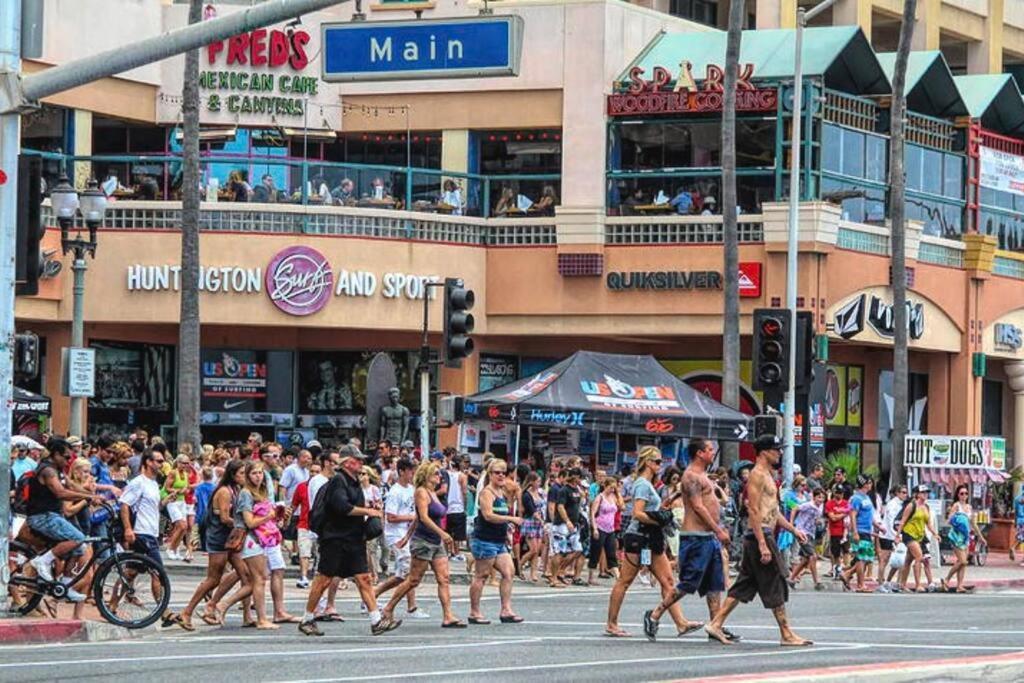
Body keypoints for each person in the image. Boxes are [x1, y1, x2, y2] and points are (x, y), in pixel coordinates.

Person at [705, 436, 812, 647]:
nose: (779, 453)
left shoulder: (768, 475)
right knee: (776, 581)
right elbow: (752, 509)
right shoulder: (757, 475)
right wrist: (763, 543)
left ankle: (716, 623)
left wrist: (793, 529)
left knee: (745, 584)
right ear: (764, 452)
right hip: (759, 535)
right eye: (776, 450)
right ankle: (786, 633)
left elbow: (773, 510)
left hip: (762, 534)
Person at [299, 445, 400, 637]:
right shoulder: (339, 480)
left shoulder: (354, 482)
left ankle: (376, 620)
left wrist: (368, 507)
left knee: (364, 578)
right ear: (347, 462)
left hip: (353, 538)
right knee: (323, 579)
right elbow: (341, 507)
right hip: (335, 539)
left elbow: (352, 505)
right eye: (358, 460)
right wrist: (368, 511)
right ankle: (307, 618)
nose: (362, 463)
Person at [605, 446, 701, 638]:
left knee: (667, 580)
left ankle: (681, 623)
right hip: (639, 537)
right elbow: (637, 513)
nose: (660, 465)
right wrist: (659, 519)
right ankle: (611, 623)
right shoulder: (642, 484)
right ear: (647, 462)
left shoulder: (648, 485)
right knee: (625, 580)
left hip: (652, 537)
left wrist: (665, 507)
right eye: (657, 461)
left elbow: (650, 509)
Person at [643, 439, 734, 642]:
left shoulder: (704, 476)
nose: (713, 453)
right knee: (688, 583)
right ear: (700, 453)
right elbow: (698, 507)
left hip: (708, 537)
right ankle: (655, 614)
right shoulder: (691, 476)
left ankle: (715, 625)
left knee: (714, 584)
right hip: (695, 537)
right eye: (710, 449)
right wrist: (718, 530)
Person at [381, 461, 464, 628]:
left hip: (436, 541)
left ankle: (448, 615)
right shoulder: (421, 492)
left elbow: (417, 517)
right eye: (436, 473)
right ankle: (388, 608)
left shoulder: (433, 493)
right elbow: (423, 517)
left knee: (444, 578)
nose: (439, 476)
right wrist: (441, 533)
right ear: (426, 475)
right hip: (423, 541)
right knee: (413, 580)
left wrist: (407, 536)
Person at [176, 460, 250, 630]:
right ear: (232, 475)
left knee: (245, 574)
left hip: (231, 539)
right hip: (219, 538)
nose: (243, 477)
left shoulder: (236, 490)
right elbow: (224, 518)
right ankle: (187, 612)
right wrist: (244, 523)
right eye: (241, 473)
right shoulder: (224, 491)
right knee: (213, 579)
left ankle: (214, 605)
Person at [468, 459, 524, 624]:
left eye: (503, 473)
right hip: (485, 539)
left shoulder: (502, 492)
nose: (501, 476)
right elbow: (488, 515)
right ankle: (474, 611)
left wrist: (506, 529)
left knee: (509, 572)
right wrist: (510, 518)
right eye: (497, 472)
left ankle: (506, 609)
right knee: (482, 575)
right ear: (490, 474)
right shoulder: (487, 492)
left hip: (499, 540)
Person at [375, 458, 429, 619]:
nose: (413, 474)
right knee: (408, 571)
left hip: (408, 534)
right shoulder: (395, 492)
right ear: (402, 472)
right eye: (411, 471)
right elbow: (390, 517)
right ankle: (411, 606)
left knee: (403, 574)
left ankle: (373, 594)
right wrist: (411, 517)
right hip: (396, 535)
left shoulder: (412, 489)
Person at [942, 484, 987, 593]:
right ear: (958, 495)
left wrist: (980, 537)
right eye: (962, 493)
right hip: (957, 535)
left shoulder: (969, 507)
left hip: (966, 536)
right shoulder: (956, 505)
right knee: (963, 561)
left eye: (966, 493)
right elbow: (948, 520)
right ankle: (946, 579)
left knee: (962, 563)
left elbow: (973, 523)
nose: (964, 495)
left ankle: (960, 585)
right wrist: (956, 518)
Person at [840, 475, 882, 592]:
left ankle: (847, 573)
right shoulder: (856, 498)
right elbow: (852, 515)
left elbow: (870, 515)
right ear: (864, 484)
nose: (871, 485)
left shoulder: (866, 497)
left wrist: (877, 526)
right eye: (869, 483)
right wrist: (855, 532)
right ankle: (860, 584)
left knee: (867, 558)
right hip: (860, 530)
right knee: (861, 558)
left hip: (867, 530)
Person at [897, 485, 940, 593]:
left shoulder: (926, 507)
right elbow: (903, 521)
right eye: (923, 492)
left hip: (919, 535)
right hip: (909, 533)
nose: (925, 494)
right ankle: (918, 584)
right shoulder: (912, 505)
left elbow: (928, 524)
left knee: (908, 560)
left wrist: (935, 534)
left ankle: (902, 584)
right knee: (919, 557)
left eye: (926, 492)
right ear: (917, 494)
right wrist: (897, 535)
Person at [788, 488, 826, 590]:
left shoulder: (820, 508)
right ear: (814, 497)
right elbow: (795, 508)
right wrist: (791, 524)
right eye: (819, 497)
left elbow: (816, 519)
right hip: (802, 533)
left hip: (811, 534)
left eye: (823, 498)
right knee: (813, 556)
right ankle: (816, 582)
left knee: (805, 560)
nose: (821, 500)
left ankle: (791, 579)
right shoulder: (808, 505)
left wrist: (818, 522)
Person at [587, 476, 622, 584]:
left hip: (610, 528)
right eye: (610, 488)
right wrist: (595, 528)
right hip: (600, 526)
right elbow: (592, 513)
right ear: (605, 486)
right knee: (595, 552)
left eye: (614, 488)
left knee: (611, 552)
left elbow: (622, 506)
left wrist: (617, 493)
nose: (612, 490)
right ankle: (591, 576)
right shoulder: (600, 497)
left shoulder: (614, 497)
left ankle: (618, 577)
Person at [163, 454, 196, 561]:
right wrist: (176, 491)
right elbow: (167, 487)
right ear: (178, 463)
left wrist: (186, 490)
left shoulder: (186, 474)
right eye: (183, 463)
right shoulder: (173, 473)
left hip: (182, 501)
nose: (186, 465)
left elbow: (186, 488)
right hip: (172, 501)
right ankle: (170, 548)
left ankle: (175, 549)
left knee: (184, 527)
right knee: (181, 525)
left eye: (187, 463)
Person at [519, 472, 547, 583]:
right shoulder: (526, 494)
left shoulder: (540, 493)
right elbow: (531, 510)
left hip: (538, 523)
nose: (539, 483)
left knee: (537, 551)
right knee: (533, 549)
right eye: (538, 481)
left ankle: (533, 573)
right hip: (530, 521)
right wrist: (542, 521)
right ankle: (519, 565)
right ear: (532, 482)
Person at [825, 484, 851, 579]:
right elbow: (832, 517)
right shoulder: (830, 503)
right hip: (835, 531)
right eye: (838, 492)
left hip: (845, 531)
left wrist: (839, 515)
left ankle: (846, 570)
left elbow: (849, 513)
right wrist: (843, 514)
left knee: (846, 551)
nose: (840, 495)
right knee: (835, 553)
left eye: (841, 493)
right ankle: (835, 569)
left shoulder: (846, 503)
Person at [1015, 488, 1024, 566]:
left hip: (1019, 521)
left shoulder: (1017, 498)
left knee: (1020, 539)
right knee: (1021, 539)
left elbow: (1016, 511)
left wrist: (1015, 522)